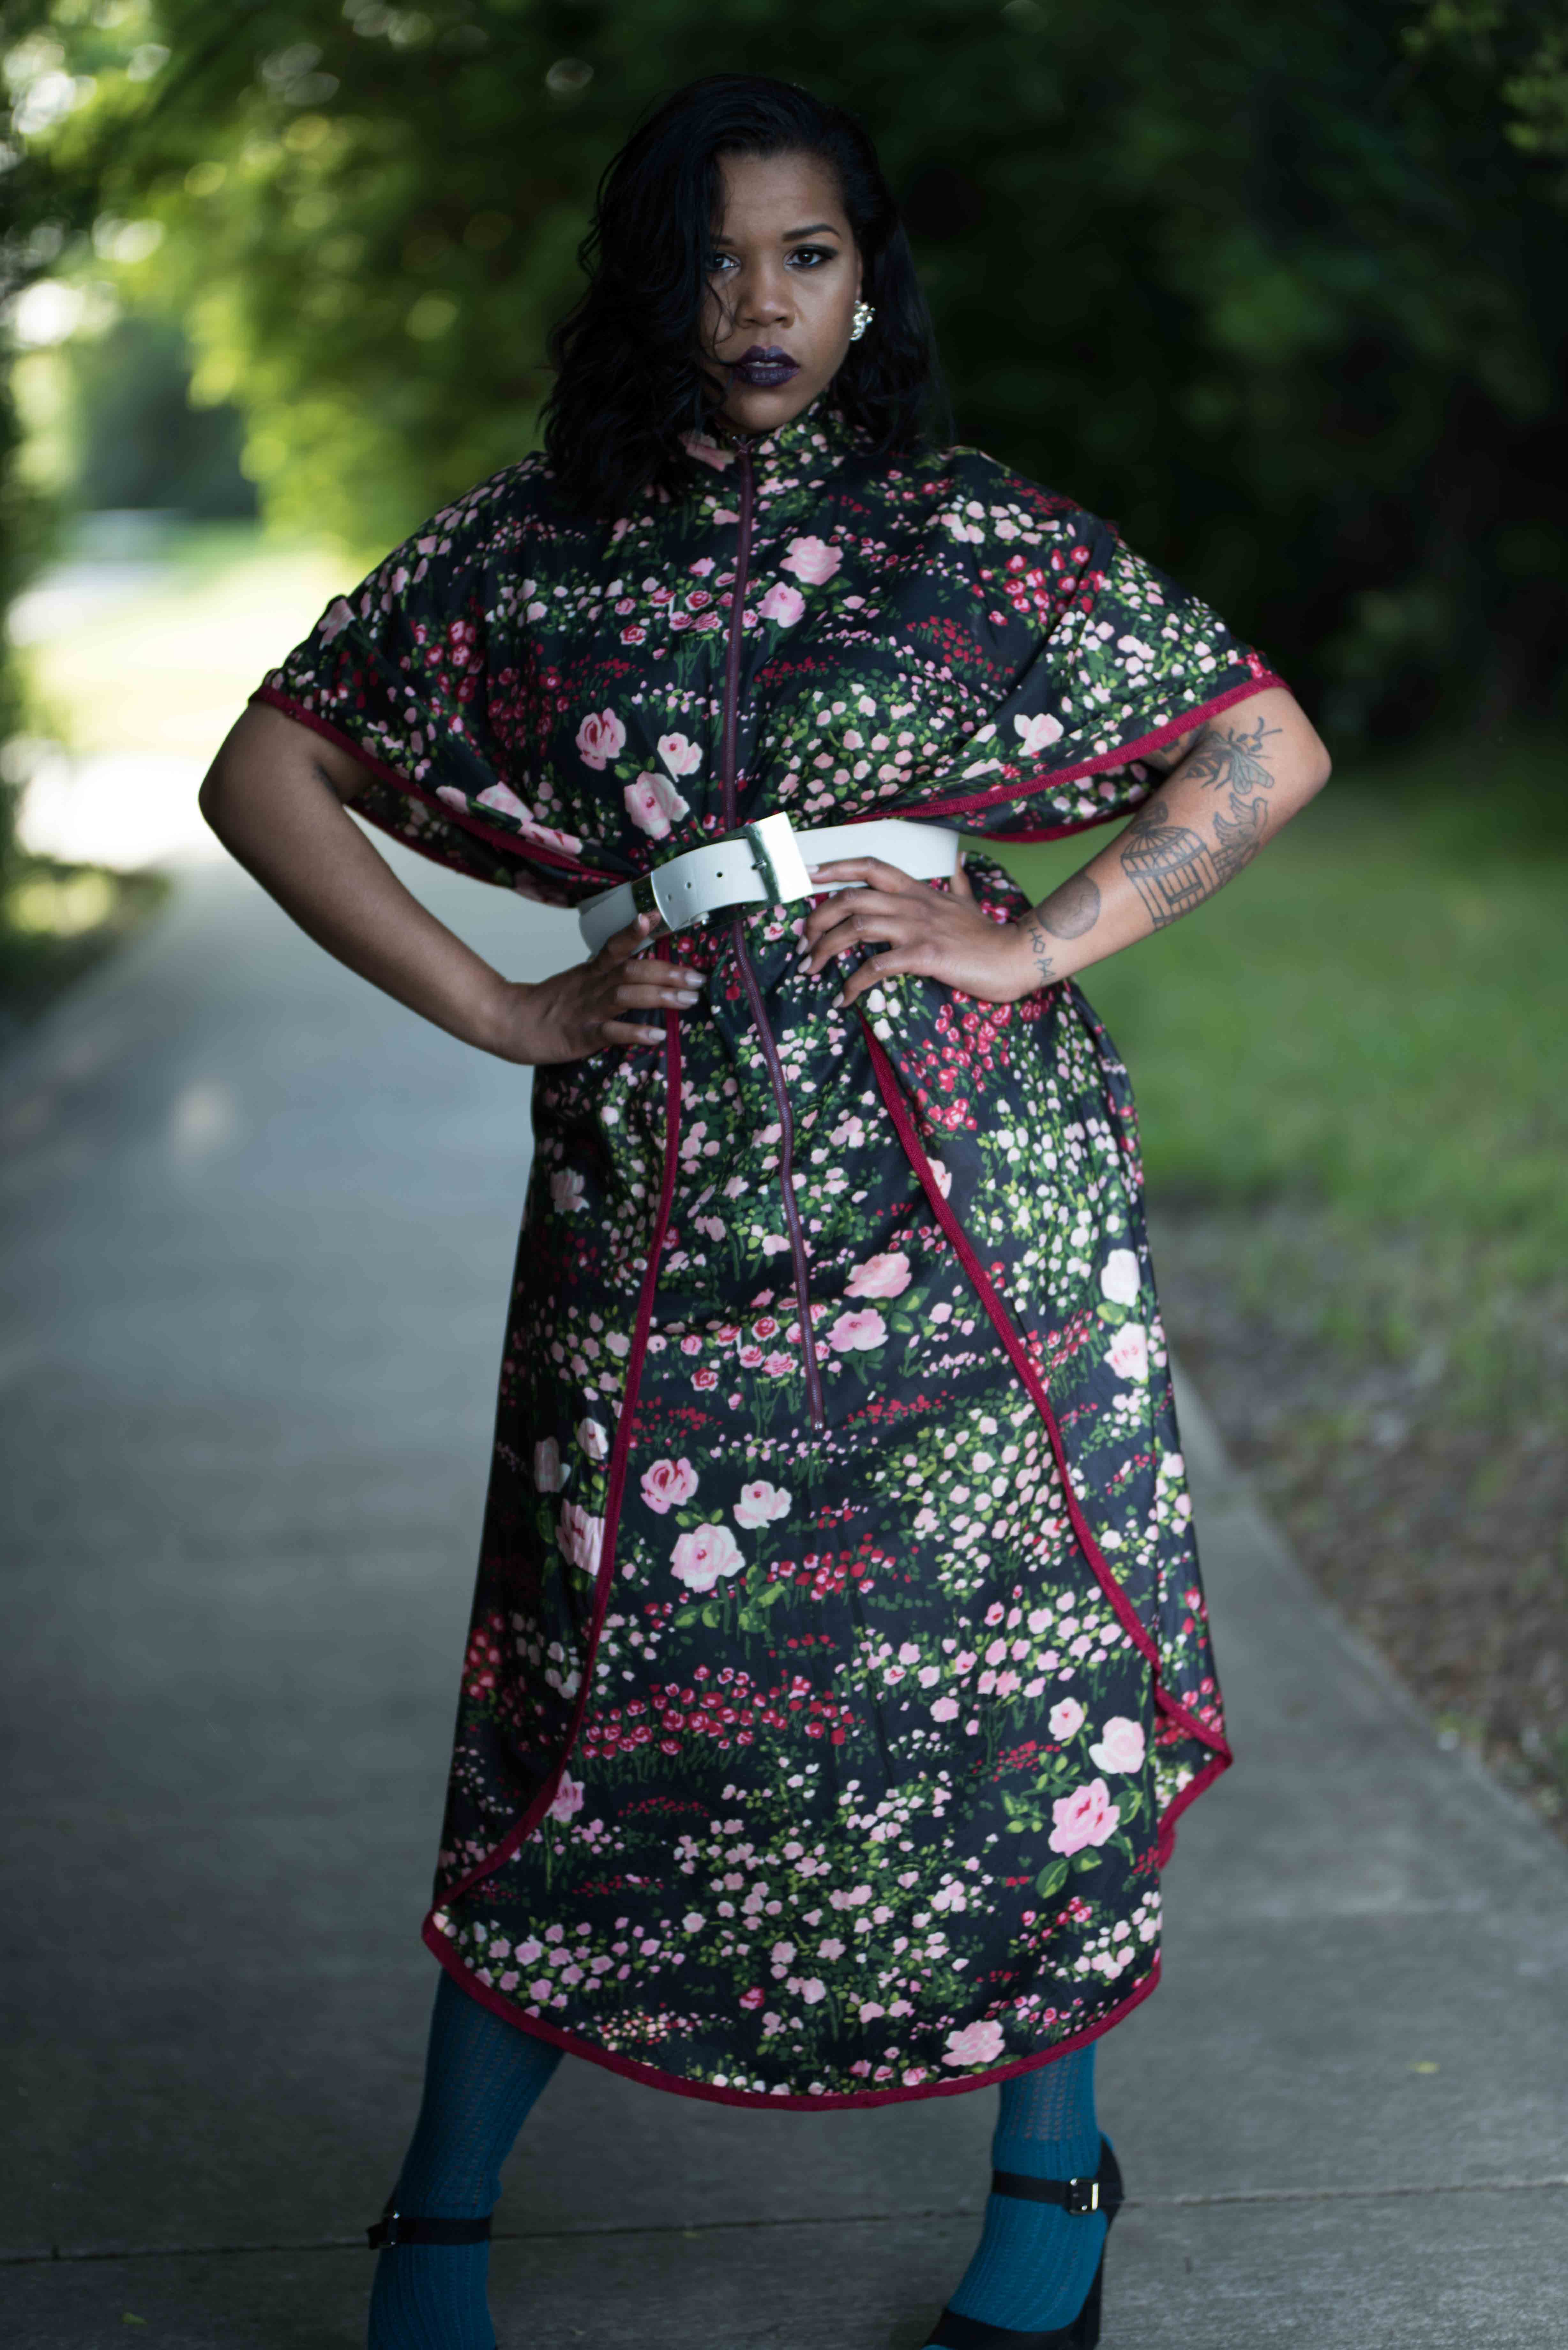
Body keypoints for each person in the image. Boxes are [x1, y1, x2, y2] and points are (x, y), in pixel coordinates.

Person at [200, 71, 1329, 2350]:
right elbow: (267, 774)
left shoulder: (969, 529)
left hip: (970, 1196)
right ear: (651, 281)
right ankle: (437, 2222)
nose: (760, 302)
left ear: (866, 280)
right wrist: (507, 1009)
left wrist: (1030, 941)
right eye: (714, 257)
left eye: (806, 255)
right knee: (601, 1687)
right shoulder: (528, 548)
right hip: (662, 1201)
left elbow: (1262, 744)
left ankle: (1051, 2186)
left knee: (1008, 1677)